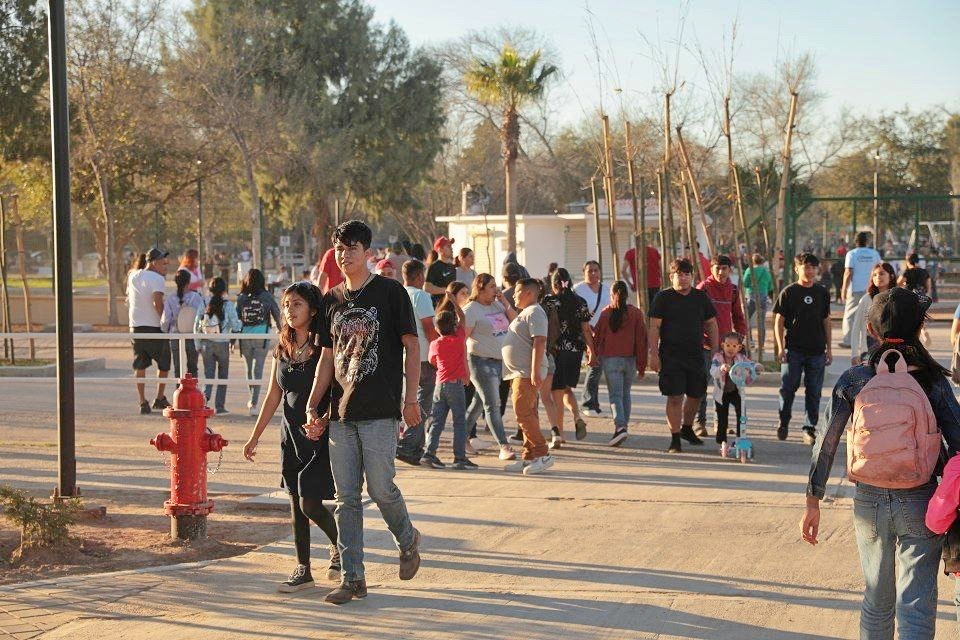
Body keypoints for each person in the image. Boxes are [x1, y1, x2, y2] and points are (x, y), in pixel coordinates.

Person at [802, 287, 960, 639]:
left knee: (877, 598)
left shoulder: (856, 378)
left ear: (871, 330)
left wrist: (813, 500)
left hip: (869, 501)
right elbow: (959, 438)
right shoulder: (931, 379)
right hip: (922, 501)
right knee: (916, 604)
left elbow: (826, 441)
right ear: (919, 328)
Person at [304, 220, 421, 605]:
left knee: (381, 489)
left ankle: (407, 538)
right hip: (341, 413)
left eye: (351, 247)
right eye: (338, 248)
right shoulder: (331, 299)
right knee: (346, 499)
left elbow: (412, 346)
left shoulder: (390, 293)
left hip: (381, 409)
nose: (344, 254)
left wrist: (411, 399)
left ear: (367, 252)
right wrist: (314, 400)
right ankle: (353, 579)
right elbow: (326, 356)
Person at [240, 282, 339, 593]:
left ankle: (340, 546)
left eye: (297, 304)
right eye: (286, 304)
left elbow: (337, 391)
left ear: (312, 309)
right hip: (290, 434)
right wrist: (254, 436)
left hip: (318, 433)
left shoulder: (325, 346)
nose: (289, 310)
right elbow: (273, 395)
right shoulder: (282, 346)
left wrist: (323, 420)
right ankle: (303, 569)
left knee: (311, 502)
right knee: (295, 503)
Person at [648, 258, 719, 453]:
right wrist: (653, 354)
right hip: (670, 356)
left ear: (692, 276)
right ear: (671, 276)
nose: (684, 278)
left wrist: (715, 350)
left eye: (687, 274)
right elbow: (654, 327)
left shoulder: (700, 297)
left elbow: (712, 323)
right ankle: (675, 438)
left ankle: (687, 428)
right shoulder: (663, 298)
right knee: (675, 397)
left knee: (696, 394)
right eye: (679, 274)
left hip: (695, 355)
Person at [773, 253, 832, 444]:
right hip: (794, 350)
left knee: (814, 391)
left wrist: (829, 348)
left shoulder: (822, 292)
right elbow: (778, 322)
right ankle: (784, 422)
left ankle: (809, 428)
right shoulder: (789, 292)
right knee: (788, 388)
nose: (810, 271)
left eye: (813, 267)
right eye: (806, 267)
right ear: (796, 269)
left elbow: (826, 320)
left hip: (816, 351)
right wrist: (781, 348)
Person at [501, 278, 554, 475]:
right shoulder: (526, 312)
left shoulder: (535, 312)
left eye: (517, 291)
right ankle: (529, 456)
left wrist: (534, 371)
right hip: (520, 373)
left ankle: (543, 454)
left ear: (529, 293)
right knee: (527, 414)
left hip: (526, 373)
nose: (514, 295)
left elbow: (539, 341)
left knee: (522, 412)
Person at [462, 273, 517, 461]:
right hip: (481, 362)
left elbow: (515, 322)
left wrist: (505, 302)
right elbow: (462, 339)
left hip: (500, 362)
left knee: (478, 404)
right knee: (492, 405)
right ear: (481, 288)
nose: (496, 289)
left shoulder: (497, 304)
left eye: (496, 286)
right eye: (492, 286)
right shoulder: (471, 309)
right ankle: (504, 446)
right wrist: (463, 367)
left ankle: (461, 439)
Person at [694, 255, 748, 436]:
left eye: (724, 268)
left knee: (724, 388)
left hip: (727, 349)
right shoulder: (703, 288)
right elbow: (694, 318)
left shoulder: (733, 290)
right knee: (701, 385)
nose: (720, 271)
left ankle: (720, 425)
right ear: (711, 268)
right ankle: (699, 423)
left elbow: (738, 316)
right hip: (705, 346)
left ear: (729, 270)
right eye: (717, 267)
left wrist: (739, 339)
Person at [420, 307, 477, 470]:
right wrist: (453, 302)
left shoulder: (435, 344)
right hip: (455, 384)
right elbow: (463, 317)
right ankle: (459, 457)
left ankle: (429, 453)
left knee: (437, 421)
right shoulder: (458, 338)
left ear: (437, 328)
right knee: (459, 422)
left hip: (440, 384)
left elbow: (432, 361)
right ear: (454, 326)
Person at [396, 259, 440, 466]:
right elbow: (429, 327)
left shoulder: (398, 293)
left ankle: (414, 450)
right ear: (420, 276)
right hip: (423, 357)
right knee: (422, 402)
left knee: (412, 399)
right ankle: (408, 445)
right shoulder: (421, 296)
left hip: (403, 356)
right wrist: (438, 352)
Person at [592, 280, 647, 447]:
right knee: (625, 394)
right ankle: (623, 426)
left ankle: (620, 426)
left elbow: (597, 337)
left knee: (615, 395)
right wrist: (642, 365)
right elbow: (641, 340)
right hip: (629, 359)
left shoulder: (606, 313)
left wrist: (592, 355)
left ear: (612, 295)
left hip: (610, 359)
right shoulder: (636, 313)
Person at [543, 267, 596, 442]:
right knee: (567, 389)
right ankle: (576, 416)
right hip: (574, 352)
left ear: (553, 283)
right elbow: (586, 329)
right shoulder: (580, 301)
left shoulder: (549, 301)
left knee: (556, 393)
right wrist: (592, 352)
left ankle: (560, 433)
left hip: (556, 351)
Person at [128, 247, 171, 414]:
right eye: (163, 263)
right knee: (164, 363)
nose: (165, 266)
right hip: (154, 326)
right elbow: (157, 302)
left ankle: (142, 400)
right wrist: (164, 322)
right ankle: (159, 397)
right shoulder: (157, 279)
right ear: (153, 263)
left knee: (140, 364)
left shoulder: (133, 275)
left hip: (136, 326)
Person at [237, 268, 282, 416]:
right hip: (261, 337)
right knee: (258, 371)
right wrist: (283, 332)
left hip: (245, 337)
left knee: (249, 371)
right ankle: (254, 403)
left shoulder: (242, 297)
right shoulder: (266, 296)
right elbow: (276, 314)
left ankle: (252, 399)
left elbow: (238, 317)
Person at [198, 277, 241, 414]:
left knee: (208, 375)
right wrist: (241, 324)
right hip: (222, 343)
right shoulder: (227, 305)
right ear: (224, 290)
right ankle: (220, 406)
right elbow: (235, 325)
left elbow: (196, 325)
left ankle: (204, 402)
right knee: (223, 376)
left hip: (207, 343)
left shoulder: (204, 302)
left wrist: (197, 343)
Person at [709, 332, 761, 446]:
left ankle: (740, 436)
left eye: (734, 346)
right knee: (722, 417)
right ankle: (721, 439)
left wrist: (756, 367)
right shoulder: (718, 357)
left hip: (736, 391)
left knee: (742, 413)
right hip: (721, 393)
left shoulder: (740, 358)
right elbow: (712, 371)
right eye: (728, 345)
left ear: (739, 347)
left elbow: (750, 364)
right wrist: (720, 368)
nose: (730, 349)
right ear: (723, 346)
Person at [573, 261, 610, 419]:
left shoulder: (607, 289)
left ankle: (592, 403)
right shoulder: (577, 289)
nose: (593, 274)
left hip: (603, 333)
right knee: (594, 366)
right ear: (584, 273)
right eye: (590, 271)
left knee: (596, 366)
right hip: (585, 332)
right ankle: (588, 403)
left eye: (596, 270)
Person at [840, 232, 882, 348]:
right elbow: (880, 268)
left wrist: (843, 289)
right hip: (872, 288)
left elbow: (848, 272)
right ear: (867, 241)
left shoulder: (851, 254)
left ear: (855, 241)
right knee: (873, 314)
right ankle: (874, 339)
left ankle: (848, 341)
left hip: (856, 288)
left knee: (850, 315)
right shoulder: (874, 253)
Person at [849, 262, 895, 365]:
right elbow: (856, 327)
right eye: (875, 275)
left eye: (882, 273)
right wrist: (854, 354)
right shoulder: (866, 299)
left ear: (891, 276)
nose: (878, 277)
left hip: (893, 350)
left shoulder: (897, 298)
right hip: (869, 351)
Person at [161, 269, 204, 378]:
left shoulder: (170, 298)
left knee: (178, 369)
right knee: (193, 368)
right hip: (192, 336)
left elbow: (165, 320)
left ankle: (179, 392)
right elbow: (202, 316)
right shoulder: (197, 297)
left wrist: (165, 332)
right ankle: (193, 393)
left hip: (176, 336)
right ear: (189, 282)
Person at [743, 253, 774, 352]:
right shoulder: (766, 272)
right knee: (761, 322)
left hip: (751, 297)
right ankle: (761, 345)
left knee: (746, 320)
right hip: (763, 297)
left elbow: (745, 283)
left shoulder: (749, 270)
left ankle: (750, 341)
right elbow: (770, 286)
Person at [425, 236, 457, 305]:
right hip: (438, 306)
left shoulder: (452, 266)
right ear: (440, 249)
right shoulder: (433, 267)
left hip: (451, 305)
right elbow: (426, 287)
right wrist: (447, 290)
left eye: (451, 246)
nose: (451, 248)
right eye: (448, 246)